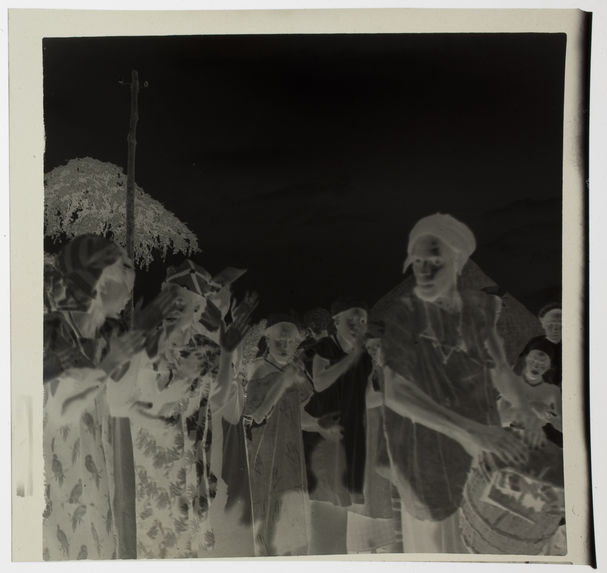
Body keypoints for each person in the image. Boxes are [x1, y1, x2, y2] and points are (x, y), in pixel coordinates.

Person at [375, 213, 544, 553]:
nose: (423, 270)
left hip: (475, 456)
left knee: (477, 543)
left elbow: (497, 369)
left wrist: (524, 407)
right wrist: (469, 430)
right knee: (437, 549)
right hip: (428, 454)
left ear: (459, 261)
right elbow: (395, 392)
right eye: (418, 261)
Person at [118, 260, 255, 559]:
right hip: (150, 461)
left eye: (189, 304)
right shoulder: (142, 344)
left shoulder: (206, 349)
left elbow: (217, 402)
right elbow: (128, 403)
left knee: (183, 547)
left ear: (198, 309)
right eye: (172, 300)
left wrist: (228, 354)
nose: (178, 309)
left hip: (190, 463)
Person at [42, 234, 147, 561]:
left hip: (92, 473)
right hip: (58, 477)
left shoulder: (93, 334)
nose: (126, 298)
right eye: (121, 287)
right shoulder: (51, 330)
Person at [303, 299, 373, 555]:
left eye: (363, 320)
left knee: (341, 509)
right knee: (322, 507)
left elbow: (365, 398)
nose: (359, 326)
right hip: (323, 439)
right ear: (336, 322)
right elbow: (320, 383)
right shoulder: (324, 347)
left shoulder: (364, 357)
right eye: (352, 320)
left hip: (350, 439)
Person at [243, 315, 314, 556]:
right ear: (268, 340)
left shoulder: (293, 368)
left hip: (291, 454)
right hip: (264, 453)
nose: (285, 347)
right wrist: (282, 382)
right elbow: (255, 417)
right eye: (279, 341)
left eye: (291, 342)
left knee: (289, 530)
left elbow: (301, 404)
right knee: (266, 526)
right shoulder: (256, 368)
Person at [516, 303, 562, 388]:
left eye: (560, 325)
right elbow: (520, 363)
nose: (555, 329)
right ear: (543, 324)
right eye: (550, 325)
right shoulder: (535, 341)